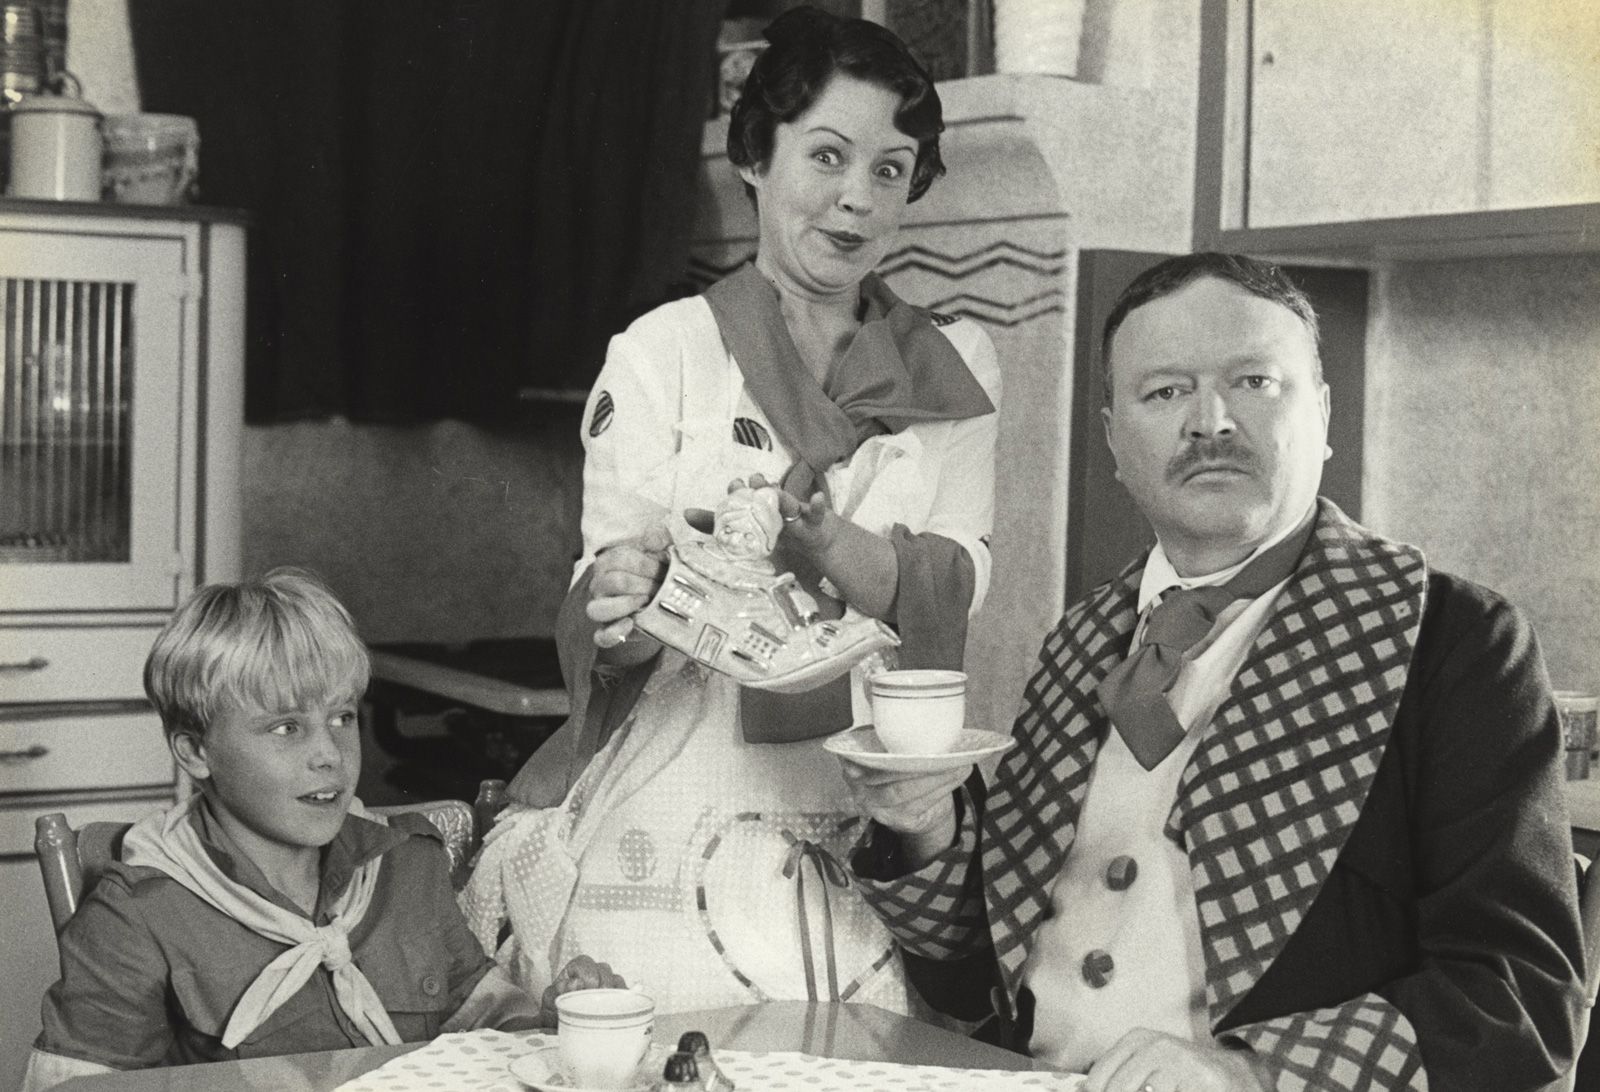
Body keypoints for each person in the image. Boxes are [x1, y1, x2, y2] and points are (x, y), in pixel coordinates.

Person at [841, 253, 1586, 1091]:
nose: (1211, 422)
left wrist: (1250, 1075)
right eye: (1164, 392)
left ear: (1324, 413)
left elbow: (1523, 999)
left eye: (1255, 382)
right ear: (1114, 439)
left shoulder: (1457, 638)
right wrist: (926, 824)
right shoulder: (1075, 642)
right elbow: (972, 980)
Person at [463, 6, 1001, 1016]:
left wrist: (830, 543)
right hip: (680, 781)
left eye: (889, 170)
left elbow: (951, 584)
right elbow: (603, 612)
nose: (855, 200)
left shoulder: (957, 365)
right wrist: (620, 605)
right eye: (827, 156)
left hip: (864, 792)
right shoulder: (660, 352)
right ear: (755, 155)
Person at [22, 569, 621, 1091]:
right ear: (195, 752)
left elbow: (486, 1025)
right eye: (286, 728)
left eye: (341, 717)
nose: (330, 754)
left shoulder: (408, 865)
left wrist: (559, 1022)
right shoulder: (136, 917)